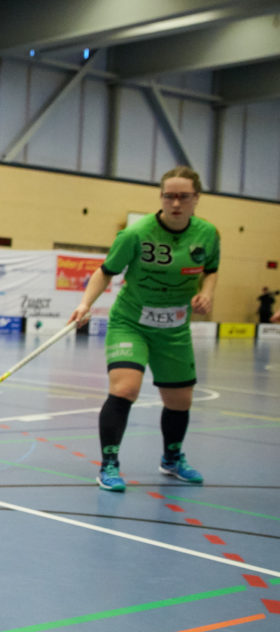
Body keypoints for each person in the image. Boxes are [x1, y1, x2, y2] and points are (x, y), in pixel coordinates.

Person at [68, 165, 219, 492]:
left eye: (183, 197)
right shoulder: (135, 234)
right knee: (125, 389)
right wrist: (85, 304)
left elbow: (211, 269)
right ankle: (109, 464)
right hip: (131, 322)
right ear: (161, 197)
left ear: (196, 199)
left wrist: (206, 294)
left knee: (180, 400)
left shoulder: (208, 234)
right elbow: (105, 271)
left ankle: (172, 458)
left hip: (175, 327)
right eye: (169, 196)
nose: (176, 203)